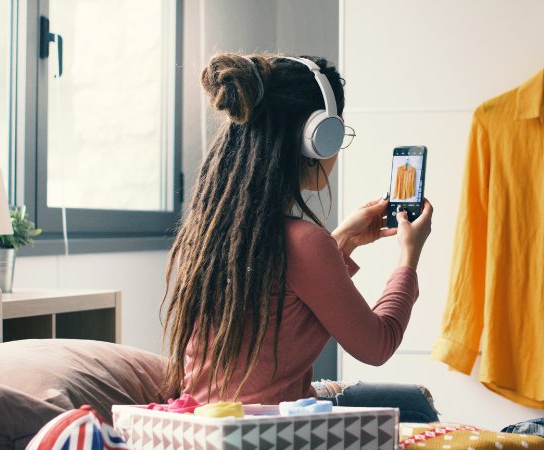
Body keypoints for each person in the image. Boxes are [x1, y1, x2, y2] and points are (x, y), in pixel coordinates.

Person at [161, 53, 435, 420]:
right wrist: (409, 256)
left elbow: (285, 288)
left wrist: (344, 240)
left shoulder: (208, 236)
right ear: (319, 137)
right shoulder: (306, 242)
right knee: (418, 407)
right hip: (268, 435)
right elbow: (378, 344)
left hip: (207, 427)